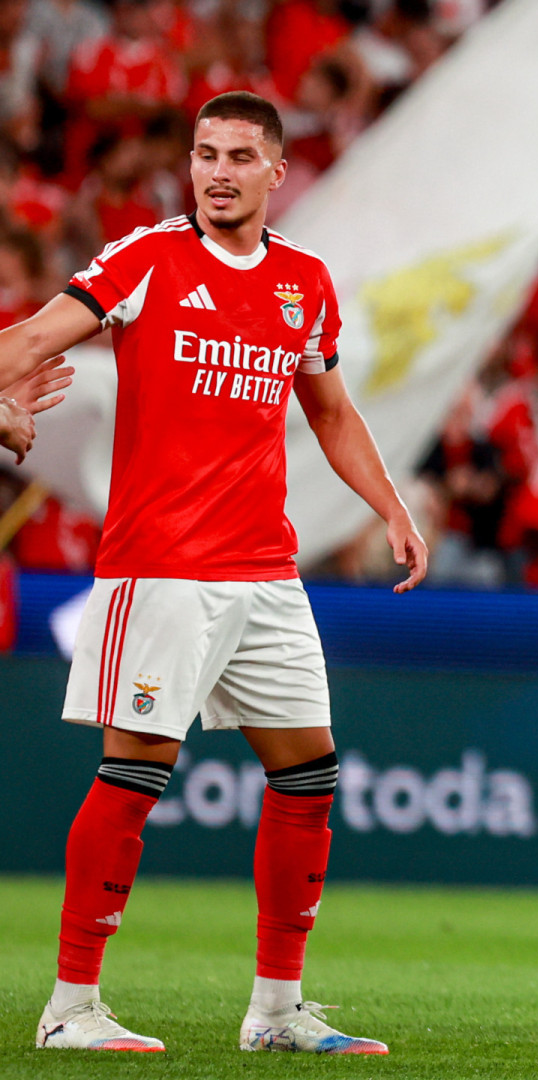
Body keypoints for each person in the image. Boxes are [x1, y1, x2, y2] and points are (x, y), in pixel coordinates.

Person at [5, 91, 426, 1055]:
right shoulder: (145, 260)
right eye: (204, 153)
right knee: (137, 769)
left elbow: (329, 412)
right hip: (161, 569)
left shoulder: (304, 283)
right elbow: (24, 346)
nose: (218, 171)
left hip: (266, 572)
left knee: (310, 775)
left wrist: (391, 506)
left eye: (240, 155)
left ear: (278, 172)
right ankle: (71, 1008)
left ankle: (275, 1014)